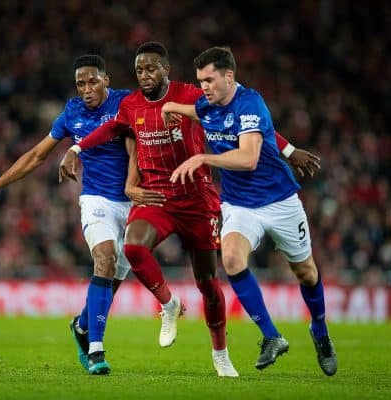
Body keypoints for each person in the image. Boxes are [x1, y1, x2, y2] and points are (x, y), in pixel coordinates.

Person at [59, 41, 319, 377]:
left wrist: (289, 150)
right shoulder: (131, 105)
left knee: (208, 283)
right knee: (133, 247)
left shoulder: (190, 95)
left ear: (166, 69)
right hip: (158, 197)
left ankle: (221, 354)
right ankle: (169, 304)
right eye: (139, 70)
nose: (145, 75)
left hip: (198, 199)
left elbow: (244, 119)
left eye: (151, 68)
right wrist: (76, 148)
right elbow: (109, 129)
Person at [162, 46, 337, 376]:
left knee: (307, 273)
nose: (204, 88)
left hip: (280, 202)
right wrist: (174, 107)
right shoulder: (208, 103)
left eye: (210, 80)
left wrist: (203, 158)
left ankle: (320, 330)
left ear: (229, 76)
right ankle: (272, 337)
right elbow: (201, 112)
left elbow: (248, 158)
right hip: (240, 205)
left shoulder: (250, 103)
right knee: (230, 259)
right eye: (200, 81)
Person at [0, 55, 138, 375]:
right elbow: (36, 156)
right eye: (80, 84)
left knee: (113, 280)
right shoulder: (72, 112)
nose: (86, 89)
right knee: (105, 259)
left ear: (106, 80)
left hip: (134, 202)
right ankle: (96, 350)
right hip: (97, 200)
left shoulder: (127, 101)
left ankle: (82, 327)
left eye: (92, 82)